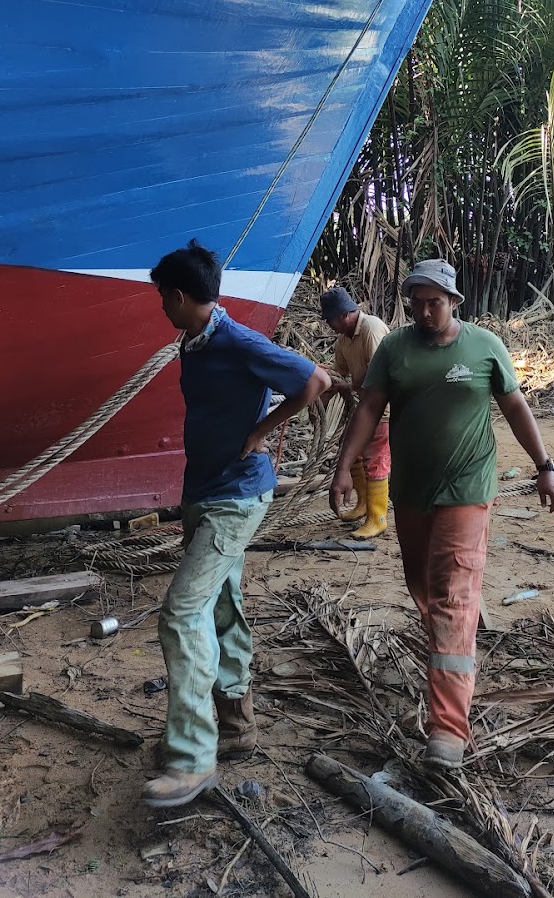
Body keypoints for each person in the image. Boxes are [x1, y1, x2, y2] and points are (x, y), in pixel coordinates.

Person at [329, 258, 554, 769]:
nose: (425, 311)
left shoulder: (483, 346)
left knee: (451, 598)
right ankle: (458, 636)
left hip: (468, 489)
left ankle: (448, 730)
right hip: (411, 493)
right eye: (417, 302)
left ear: (455, 302)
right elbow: (370, 408)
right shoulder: (394, 348)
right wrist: (345, 466)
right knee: (427, 592)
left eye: (435, 301)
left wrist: (545, 465)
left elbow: (515, 406)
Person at [143, 241, 330, 808]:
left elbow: (314, 379)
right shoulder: (195, 343)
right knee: (221, 603)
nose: (161, 309)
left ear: (178, 297)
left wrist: (262, 431)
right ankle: (235, 721)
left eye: (161, 300)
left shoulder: (236, 340)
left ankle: (192, 759)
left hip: (236, 498)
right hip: (205, 493)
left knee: (180, 612)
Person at [320, 286, 392, 539]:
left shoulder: (371, 329)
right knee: (356, 454)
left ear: (343, 315)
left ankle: (377, 517)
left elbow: (382, 377)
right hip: (364, 406)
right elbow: (338, 372)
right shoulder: (344, 339)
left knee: (375, 459)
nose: (328, 324)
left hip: (383, 407)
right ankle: (363, 505)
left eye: (329, 319)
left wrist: (345, 386)